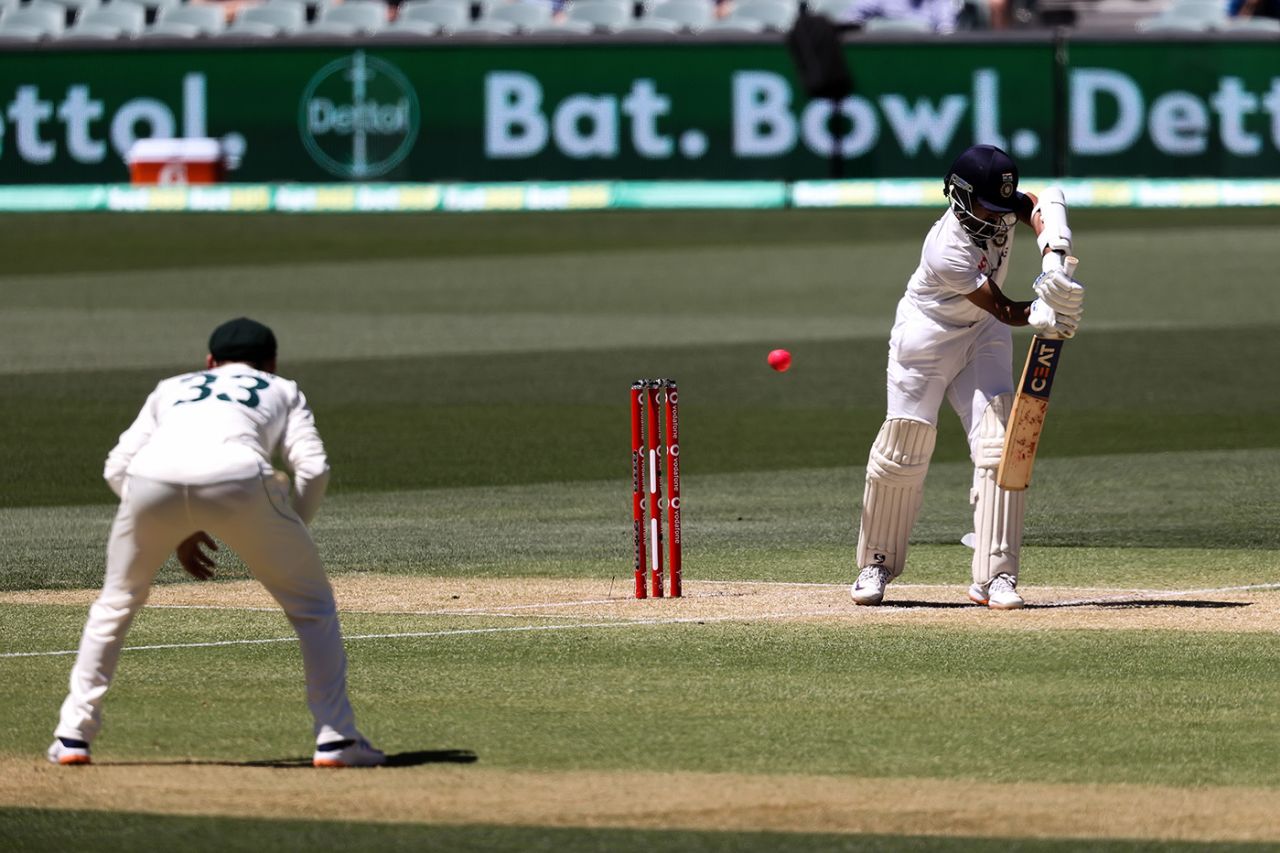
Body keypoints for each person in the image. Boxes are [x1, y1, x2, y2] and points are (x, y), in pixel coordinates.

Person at [48, 317, 385, 768]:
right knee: (313, 607)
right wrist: (287, 530)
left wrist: (177, 524)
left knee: (115, 603)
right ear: (271, 362)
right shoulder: (282, 388)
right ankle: (336, 739)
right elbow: (314, 468)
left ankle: (72, 736)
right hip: (239, 474)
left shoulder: (171, 386)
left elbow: (115, 467)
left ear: (209, 362)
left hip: (150, 474)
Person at [851, 144, 1083, 610]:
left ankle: (996, 577)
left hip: (983, 337)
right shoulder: (947, 249)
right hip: (927, 338)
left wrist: (1053, 262)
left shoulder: (1000, 208)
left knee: (1000, 445)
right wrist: (1043, 311)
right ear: (958, 195)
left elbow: (1043, 204)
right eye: (986, 207)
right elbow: (1006, 309)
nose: (996, 219)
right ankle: (876, 564)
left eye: (1001, 208)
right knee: (904, 447)